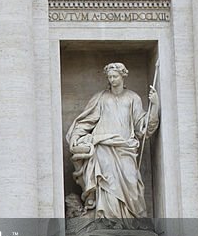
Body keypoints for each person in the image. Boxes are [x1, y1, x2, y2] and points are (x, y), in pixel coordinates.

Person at [66, 62, 159, 219]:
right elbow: (86, 121)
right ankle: (107, 219)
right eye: (109, 77)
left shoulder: (132, 98)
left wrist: (155, 105)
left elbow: (142, 127)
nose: (112, 80)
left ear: (123, 76)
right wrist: (75, 136)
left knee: (131, 182)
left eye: (115, 76)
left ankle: (130, 221)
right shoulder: (100, 98)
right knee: (106, 183)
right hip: (103, 146)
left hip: (125, 147)